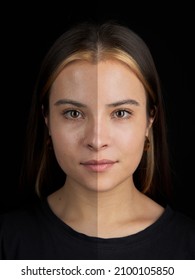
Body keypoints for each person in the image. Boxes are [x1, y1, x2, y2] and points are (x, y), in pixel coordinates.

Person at [0, 20, 195, 260]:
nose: (97, 140)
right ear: (47, 119)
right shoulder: (7, 243)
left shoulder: (188, 248)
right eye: (74, 113)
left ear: (149, 119)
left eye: (120, 113)